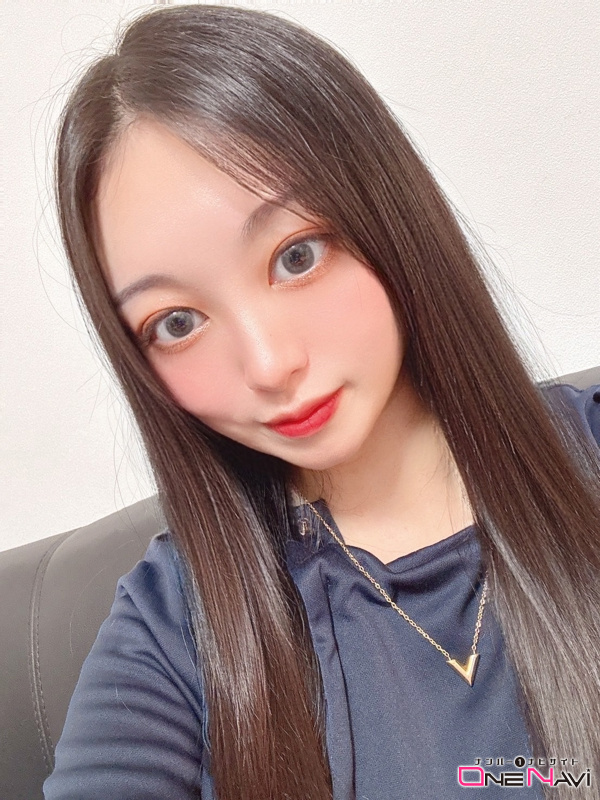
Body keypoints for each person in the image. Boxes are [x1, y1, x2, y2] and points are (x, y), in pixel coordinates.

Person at [42, 5, 600, 800]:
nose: (270, 366)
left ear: (386, 211)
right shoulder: (176, 627)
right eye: (178, 323)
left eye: (296, 256)